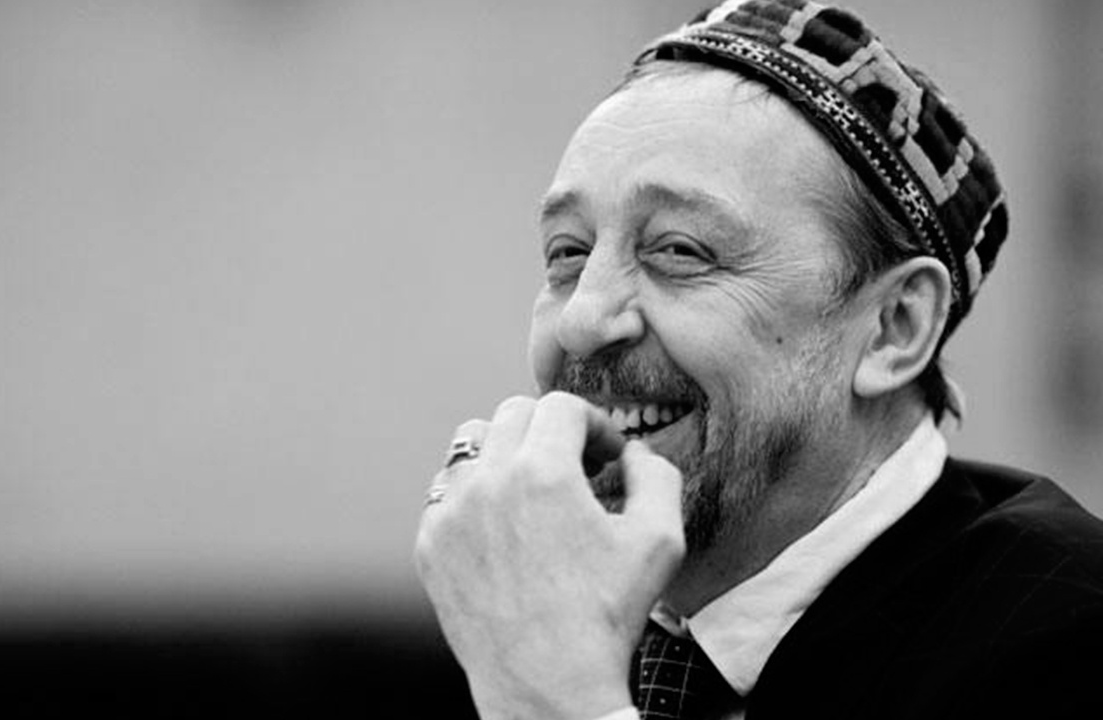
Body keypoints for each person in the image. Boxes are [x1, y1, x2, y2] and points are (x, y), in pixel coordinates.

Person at [413, 2, 1103, 719]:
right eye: (568, 253)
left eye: (680, 250)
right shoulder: (528, 619)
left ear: (893, 328)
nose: (582, 321)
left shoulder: (1068, 639)